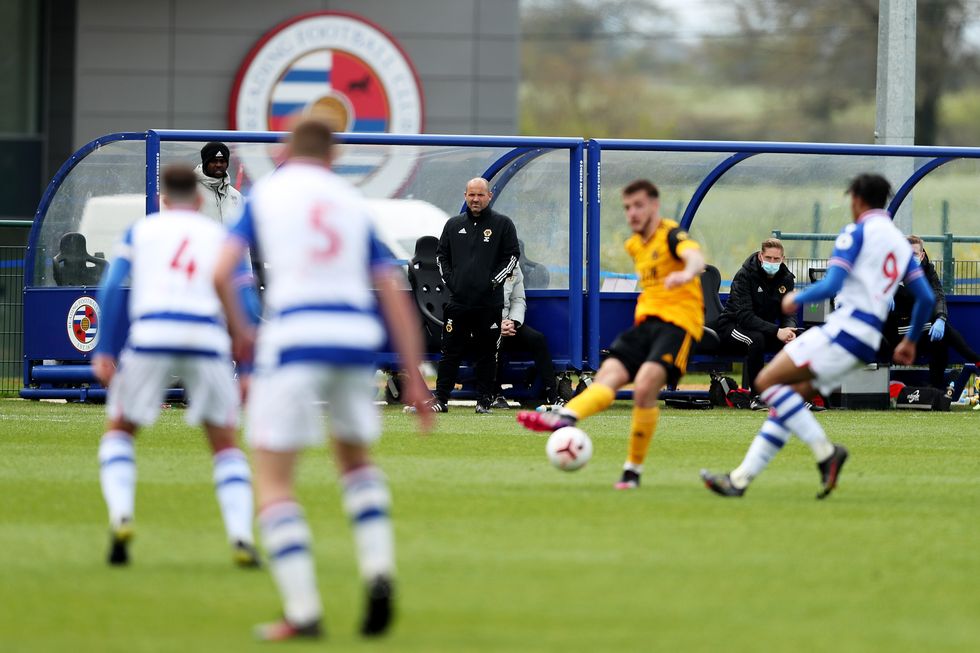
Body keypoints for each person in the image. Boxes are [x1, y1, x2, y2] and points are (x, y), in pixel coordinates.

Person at [213, 117, 432, 641]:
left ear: (287, 151)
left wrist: (243, 332)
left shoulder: (267, 195)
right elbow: (391, 286)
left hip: (296, 333)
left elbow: (221, 269)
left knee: (273, 477)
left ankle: (304, 611)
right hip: (354, 336)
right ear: (332, 157)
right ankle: (378, 569)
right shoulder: (351, 202)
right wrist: (417, 376)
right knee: (355, 462)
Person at [700, 173, 935, 499]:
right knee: (788, 402)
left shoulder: (856, 233)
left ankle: (826, 453)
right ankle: (739, 480)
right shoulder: (899, 243)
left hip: (845, 331)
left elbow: (832, 284)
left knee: (767, 382)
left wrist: (797, 298)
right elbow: (926, 298)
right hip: (865, 340)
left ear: (856, 199)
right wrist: (909, 341)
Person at [92, 164, 261, 568]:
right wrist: (249, 367)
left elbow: (111, 288)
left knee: (120, 430)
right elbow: (247, 301)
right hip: (205, 337)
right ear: (200, 199)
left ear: (162, 199)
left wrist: (105, 349)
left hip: (152, 335)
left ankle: (121, 516)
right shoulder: (221, 236)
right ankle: (240, 535)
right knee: (224, 442)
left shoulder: (142, 231)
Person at [517, 179, 705, 491]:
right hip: (646, 323)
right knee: (608, 375)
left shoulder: (671, 235)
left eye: (639, 206)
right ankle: (565, 417)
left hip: (680, 324)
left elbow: (695, 257)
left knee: (645, 387)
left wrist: (687, 272)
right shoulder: (634, 245)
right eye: (628, 207)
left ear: (654, 207)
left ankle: (632, 470)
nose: (632, 213)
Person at [416, 177, 520, 414]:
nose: (475, 199)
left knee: (487, 354)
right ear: (465, 196)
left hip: (489, 303)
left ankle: (484, 401)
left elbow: (512, 257)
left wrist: (492, 282)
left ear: (489, 196)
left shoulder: (503, 224)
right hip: (458, 303)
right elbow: (441, 256)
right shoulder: (453, 225)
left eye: (480, 195)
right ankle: (441, 399)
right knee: (449, 353)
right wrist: (452, 283)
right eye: (471, 195)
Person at [883, 235, 980, 389]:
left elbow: (938, 295)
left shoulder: (928, 271)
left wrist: (941, 318)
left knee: (942, 336)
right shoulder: (890, 270)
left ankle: (935, 386)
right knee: (945, 331)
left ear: (921, 256)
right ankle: (977, 360)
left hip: (918, 330)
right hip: (895, 332)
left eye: (914, 255)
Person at [711, 238, 797, 407]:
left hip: (763, 329)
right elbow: (745, 316)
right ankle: (758, 397)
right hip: (733, 327)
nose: (772, 262)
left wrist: (790, 329)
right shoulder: (745, 275)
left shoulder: (786, 278)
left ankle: (799, 397)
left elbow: (788, 312)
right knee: (756, 339)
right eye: (769, 258)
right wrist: (776, 331)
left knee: (800, 339)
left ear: (783, 259)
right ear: (760, 256)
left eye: (776, 259)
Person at [492, 262, 560, 408]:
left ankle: (552, 395)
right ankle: (493, 393)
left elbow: (518, 299)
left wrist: (513, 322)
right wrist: (497, 324)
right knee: (494, 341)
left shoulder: (514, 266)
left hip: (508, 322)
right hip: (484, 324)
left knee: (538, 339)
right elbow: (475, 301)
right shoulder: (479, 259)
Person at [195, 141, 243, 225]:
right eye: (213, 161)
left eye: (222, 161)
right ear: (205, 163)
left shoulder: (236, 196)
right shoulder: (190, 191)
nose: (218, 165)